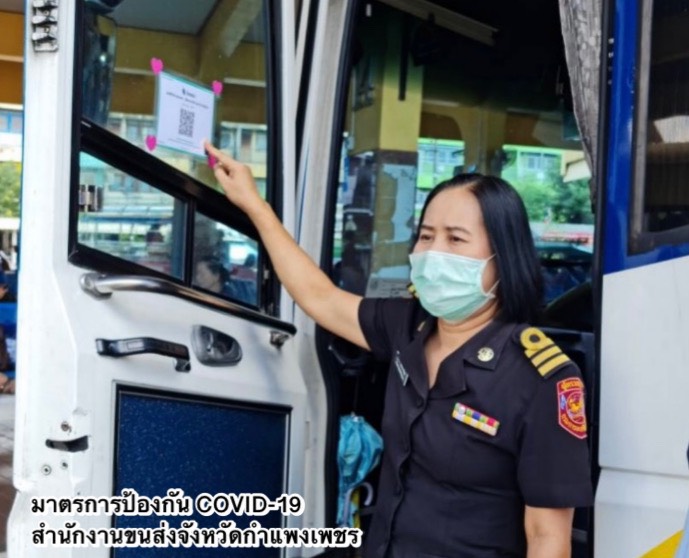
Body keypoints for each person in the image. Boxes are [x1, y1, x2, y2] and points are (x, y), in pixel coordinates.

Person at [204, 141, 593, 558]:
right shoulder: (408, 326)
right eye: (426, 236)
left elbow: (547, 538)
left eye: (455, 239)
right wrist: (255, 206)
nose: (433, 253)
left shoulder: (541, 378)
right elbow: (320, 297)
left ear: (503, 258)